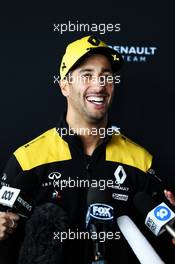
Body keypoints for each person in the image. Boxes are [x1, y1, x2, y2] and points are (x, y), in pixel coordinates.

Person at [0, 35, 174, 263]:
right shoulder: (27, 160)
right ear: (64, 85)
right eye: (87, 75)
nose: (99, 84)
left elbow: (163, 242)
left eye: (106, 76)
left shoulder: (141, 161)